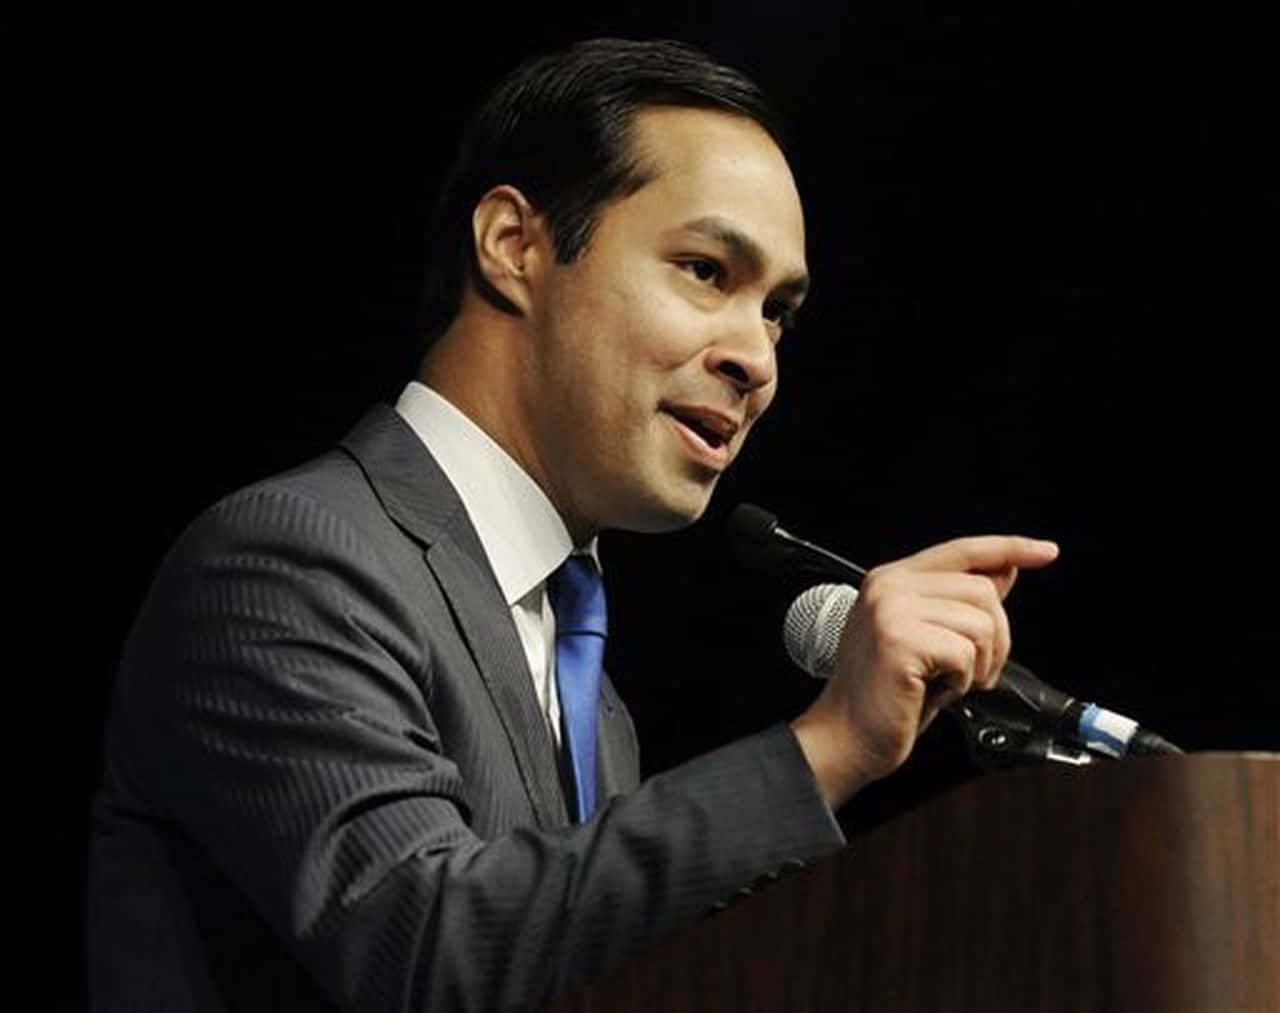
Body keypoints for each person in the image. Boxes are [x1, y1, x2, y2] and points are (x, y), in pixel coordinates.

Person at [86, 38, 1058, 1012]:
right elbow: (430, 954)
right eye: (706, 270)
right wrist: (829, 744)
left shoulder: (584, 679)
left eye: (777, 314)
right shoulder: (287, 562)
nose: (757, 359)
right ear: (513, 245)